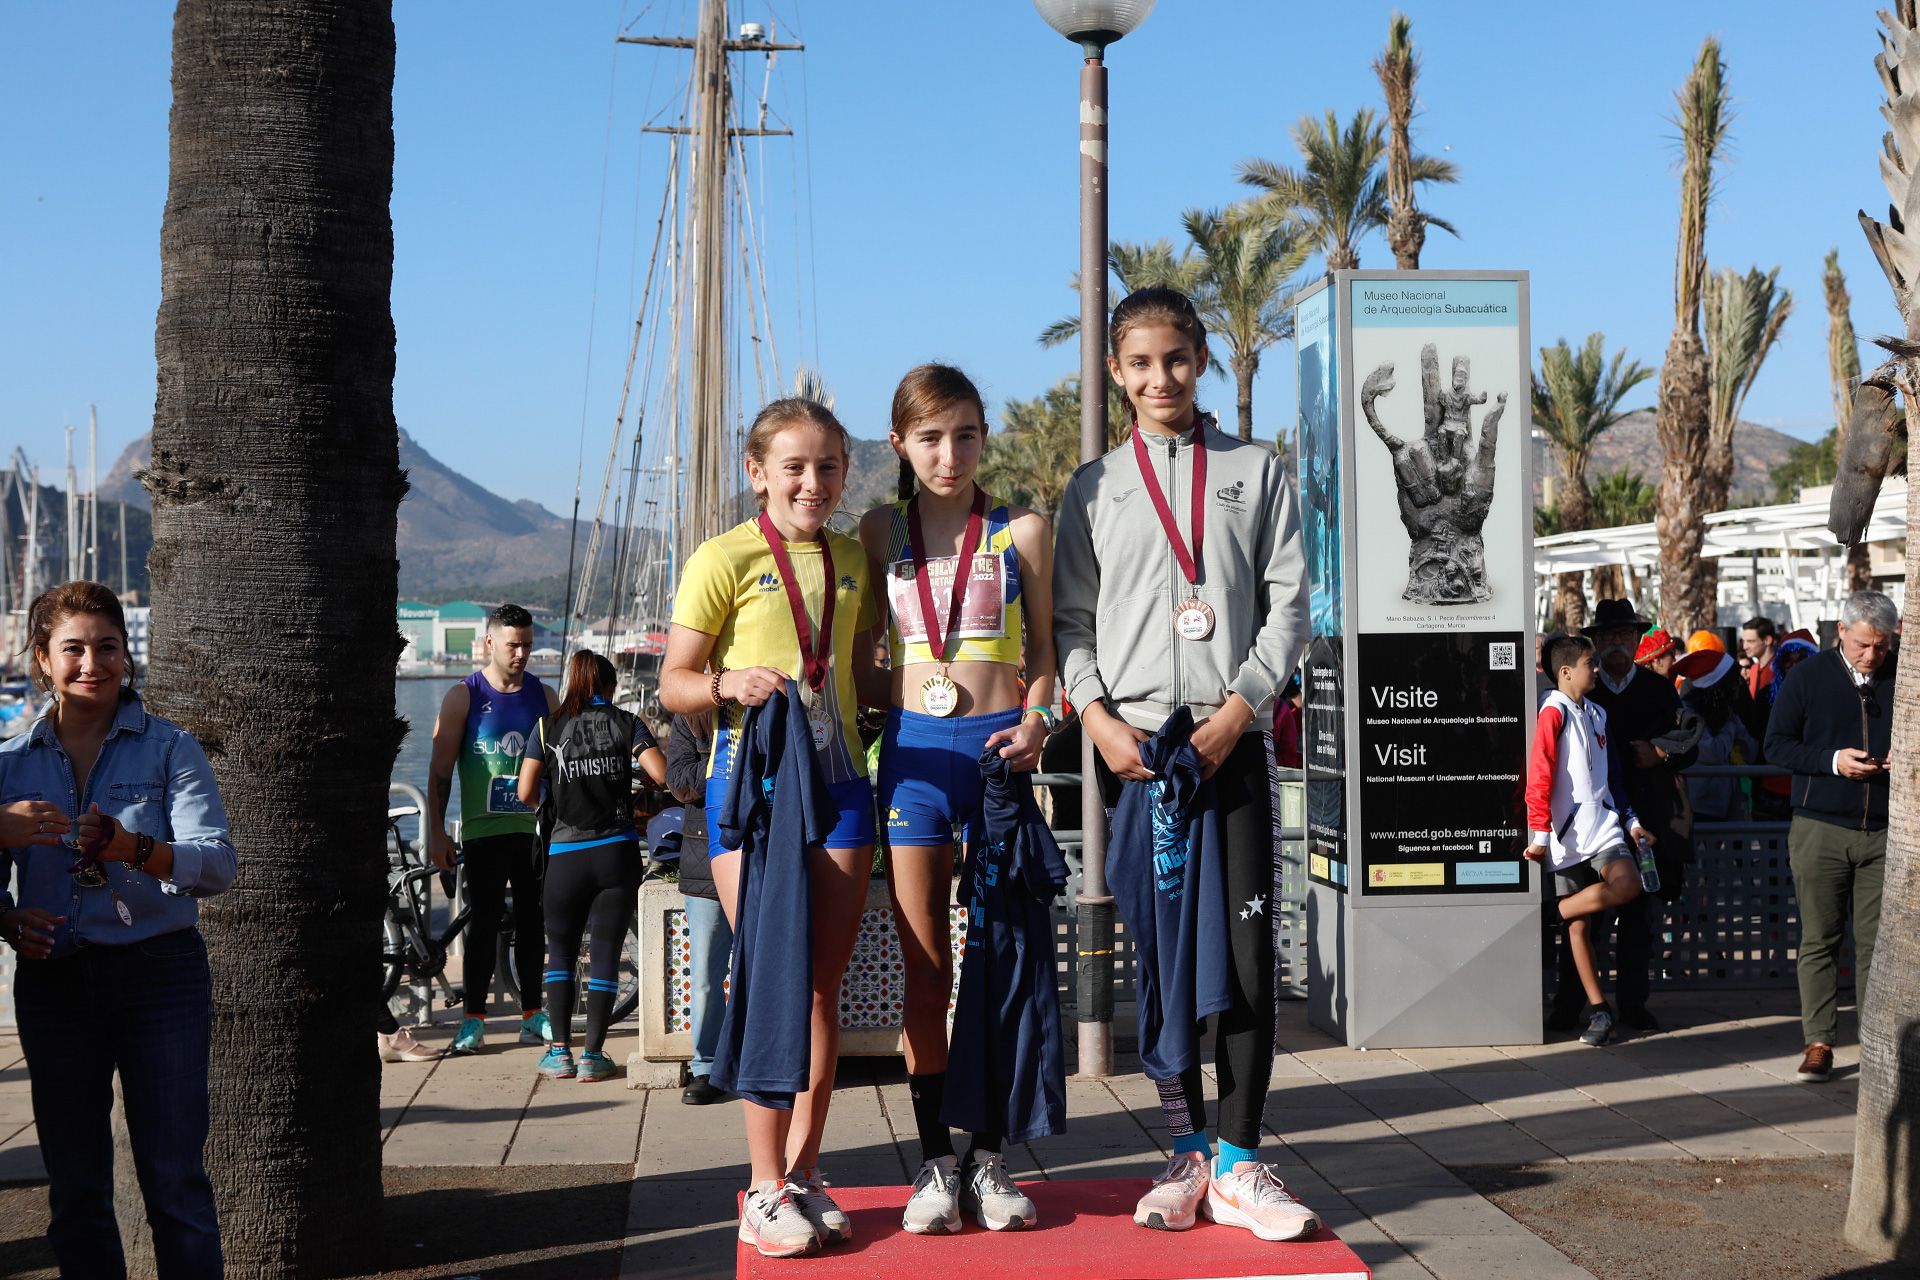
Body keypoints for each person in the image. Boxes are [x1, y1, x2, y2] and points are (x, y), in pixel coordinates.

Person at [1054, 286, 1317, 1242]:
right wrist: (1099, 722)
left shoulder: (1257, 469)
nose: (1159, 377)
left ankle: (1243, 1161)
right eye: (1140, 363)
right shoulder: (1094, 486)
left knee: (1245, 960)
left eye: (1175, 358)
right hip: (1137, 760)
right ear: (1117, 374)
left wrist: (1243, 705)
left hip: (1230, 747)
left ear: (1201, 358)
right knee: (1161, 965)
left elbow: (1291, 604)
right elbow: (1071, 626)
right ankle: (1186, 1149)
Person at [659, 396, 885, 1258]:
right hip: (748, 791)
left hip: (839, 785)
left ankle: (806, 1171)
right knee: (769, 977)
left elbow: (863, 679)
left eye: (828, 466)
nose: (812, 482)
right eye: (793, 466)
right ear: (757, 472)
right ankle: (760, 1186)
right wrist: (727, 685)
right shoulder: (724, 557)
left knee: (823, 987)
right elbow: (675, 681)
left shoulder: (855, 558)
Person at [855, 363, 1057, 1235]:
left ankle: (994, 1161)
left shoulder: (1021, 531)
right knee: (925, 966)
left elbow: (1046, 650)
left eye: (966, 434)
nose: (950, 454)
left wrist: (1040, 723)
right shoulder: (876, 529)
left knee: (1003, 957)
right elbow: (863, 648)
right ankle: (938, 1160)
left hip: (999, 753)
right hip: (911, 759)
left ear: (985, 436)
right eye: (930, 437)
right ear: (900, 443)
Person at [0, 581, 238, 1277]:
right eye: (72, 648)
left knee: (175, 1182)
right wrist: (9, 920)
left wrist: (131, 848)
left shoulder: (170, 749)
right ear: (42, 659)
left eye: (108, 647)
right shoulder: (9, 765)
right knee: (75, 1191)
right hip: (54, 983)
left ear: (126, 656)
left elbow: (218, 865)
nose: (91, 664)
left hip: (158, 976)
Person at [1763, 590, 1896, 1084]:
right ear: (1841, 632)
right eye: (1863, 644)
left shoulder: (1901, 673)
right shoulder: (1809, 676)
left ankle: (1878, 1043)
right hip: (1820, 827)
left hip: (1884, 832)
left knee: (1877, 945)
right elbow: (1775, 745)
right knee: (1820, 939)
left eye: (1881, 647)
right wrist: (1833, 761)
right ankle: (1819, 1041)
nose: (1871, 655)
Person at [515, 649, 666, 1082]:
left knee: (560, 955)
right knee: (605, 955)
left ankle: (558, 1053)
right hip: (615, 852)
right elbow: (660, 774)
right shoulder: (626, 722)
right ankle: (593, 1057)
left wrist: (558, 799)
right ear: (609, 686)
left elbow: (527, 791)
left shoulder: (547, 726)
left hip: (564, 857)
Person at [425, 602, 559, 1054]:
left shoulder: (546, 697)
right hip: (482, 833)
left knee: (531, 921)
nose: (520, 654)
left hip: (533, 831)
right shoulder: (464, 696)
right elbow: (440, 771)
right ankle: (473, 1018)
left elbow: (562, 767)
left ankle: (531, 1013)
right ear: (489, 643)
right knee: (482, 924)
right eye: (512, 645)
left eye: (527, 645)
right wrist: (436, 833)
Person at [1565, 598, 1698, 1033]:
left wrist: (1660, 752)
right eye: (1606, 637)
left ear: (1638, 640)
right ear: (1595, 644)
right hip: (1591, 823)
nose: (1615, 644)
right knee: (1587, 920)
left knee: (1640, 919)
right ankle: (1571, 1004)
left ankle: (1633, 1005)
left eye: (1624, 636)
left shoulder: (1658, 689)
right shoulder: (1586, 690)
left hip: (1648, 821)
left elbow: (1691, 738)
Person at [1525, 633, 1650, 1047]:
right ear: (1564, 672)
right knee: (1579, 930)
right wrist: (1540, 833)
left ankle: (1552, 911)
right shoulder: (1551, 710)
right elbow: (1539, 774)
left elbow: (1612, 779)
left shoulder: (1597, 713)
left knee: (1629, 885)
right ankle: (1599, 1011)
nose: (1595, 668)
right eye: (1588, 662)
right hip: (1563, 840)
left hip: (1604, 829)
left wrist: (1631, 822)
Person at [666, 709, 735, 1105]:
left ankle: (756, 1061)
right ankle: (706, 1066)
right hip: (704, 859)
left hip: (759, 853)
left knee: (760, 968)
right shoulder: (689, 717)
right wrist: (724, 761)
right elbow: (678, 782)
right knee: (706, 973)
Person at [1671, 649, 1757, 823]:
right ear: (1716, 687)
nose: (1737, 687)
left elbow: (1752, 751)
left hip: (1726, 805)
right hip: (1698, 806)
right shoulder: (1687, 713)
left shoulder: (1726, 713)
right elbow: (1713, 753)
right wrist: (1730, 724)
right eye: (1732, 683)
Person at [1741, 616, 1778, 701]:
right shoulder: (1754, 670)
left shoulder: (1780, 669)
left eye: (1750, 641)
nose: (1744, 647)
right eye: (1743, 641)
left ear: (1767, 640)